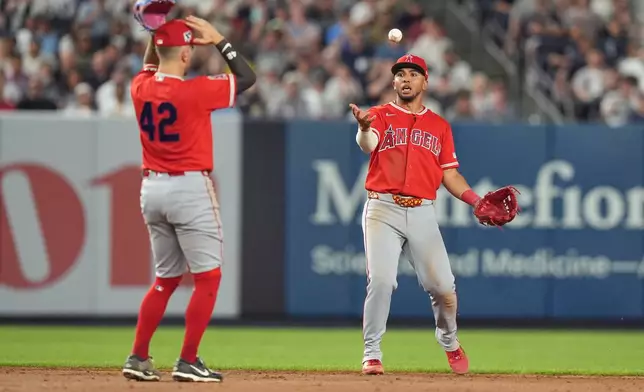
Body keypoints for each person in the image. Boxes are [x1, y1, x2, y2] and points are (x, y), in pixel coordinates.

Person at [121, 16, 256, 383]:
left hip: (152, 189)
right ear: (184, 54)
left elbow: (152, 62)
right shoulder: (195, 91)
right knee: (208, 278)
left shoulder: (140, 86)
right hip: (189, 189)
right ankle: (188, 359)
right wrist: (218, 40)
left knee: (165, 279)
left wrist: (156, 30)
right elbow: (247, 78)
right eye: (190, 50)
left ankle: (138, 356)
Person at [349, 54, 481, 376]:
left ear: (425, 82)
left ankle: (449, 340)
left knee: (444, 289)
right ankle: (372, 353)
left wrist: (476, 201)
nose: (406, 79)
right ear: (393, 82)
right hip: (383, 208)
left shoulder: (439, 126)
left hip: (421, 212)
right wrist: (364, 128)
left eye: (413, 74)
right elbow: (368, 144)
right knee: (381, 280)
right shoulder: (379, 115)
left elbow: (450, 175)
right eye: (400, 74)